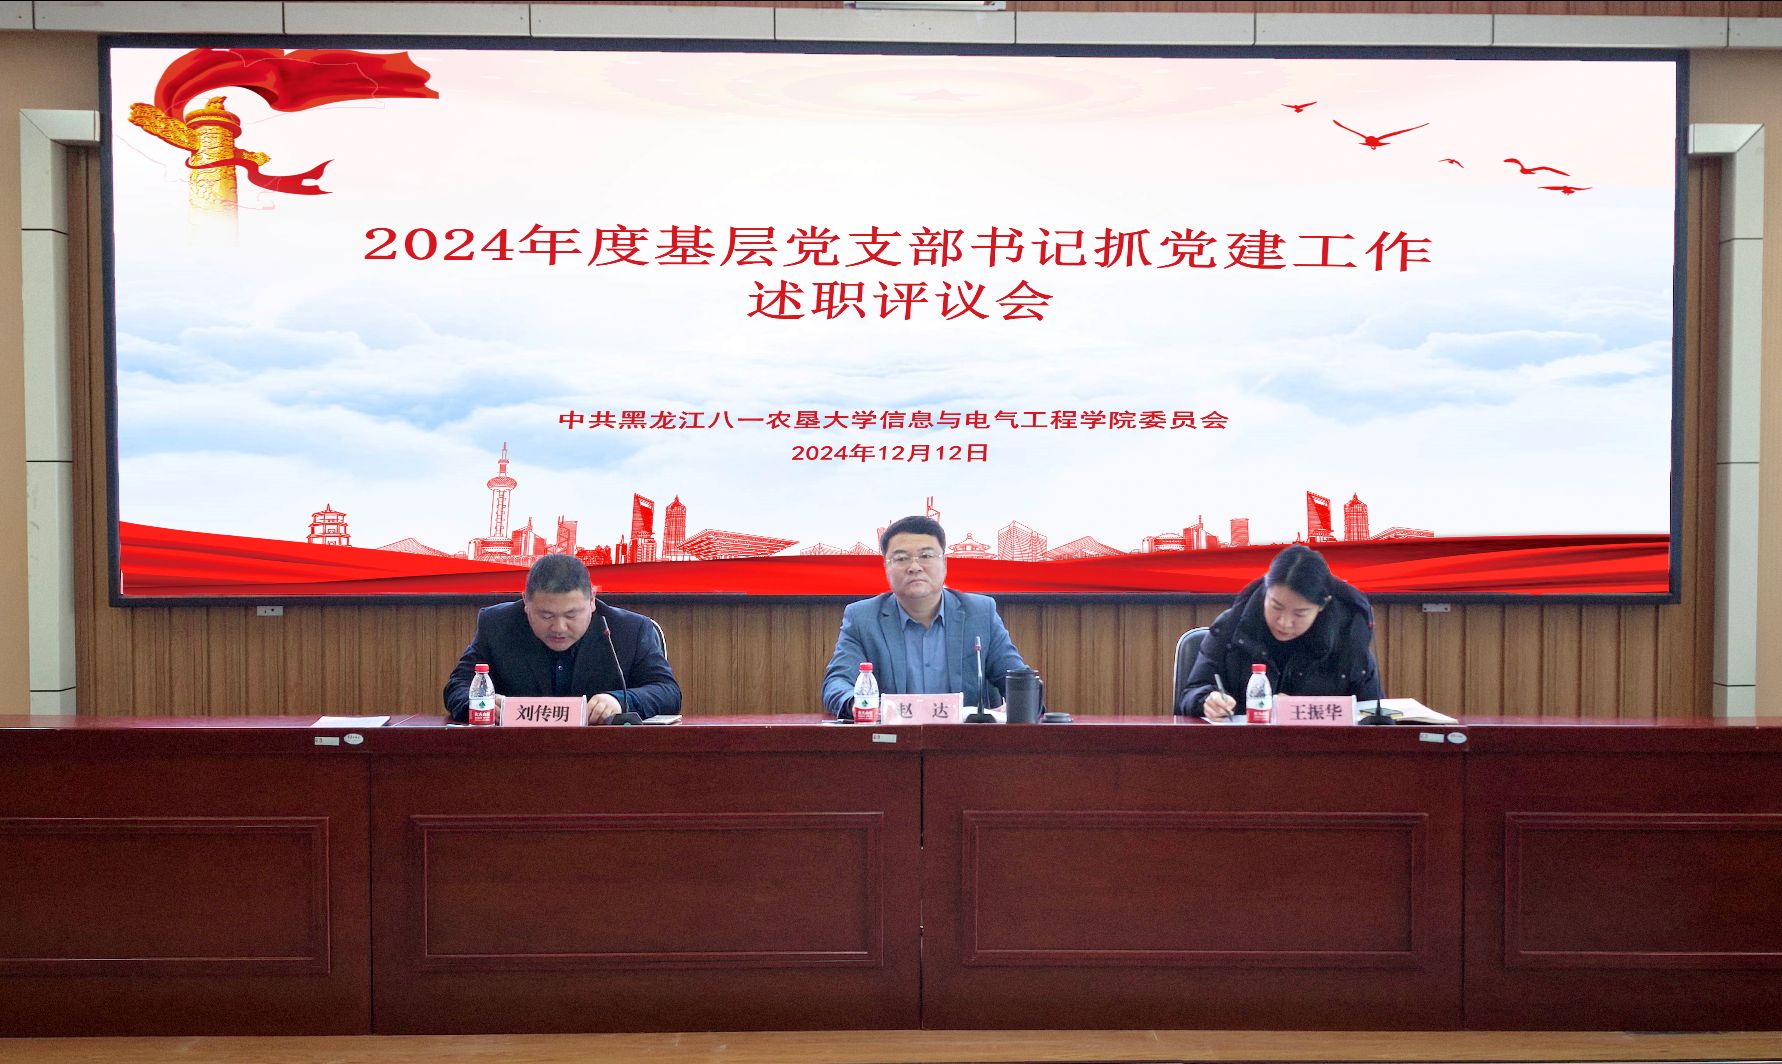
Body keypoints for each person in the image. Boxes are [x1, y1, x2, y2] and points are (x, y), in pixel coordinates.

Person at [822, 515, 1028, 719]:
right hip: (890, 737)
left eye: (926, 556)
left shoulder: (980, 613)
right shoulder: (862, 618)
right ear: (886, 567)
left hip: (965, 738)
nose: (915, 567)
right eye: (901, 558)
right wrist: (862, 705)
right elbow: (837, 682)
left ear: (944, 563)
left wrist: (1019, 706)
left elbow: (1019, 680)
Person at [443, 554, 680, 724]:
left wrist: (619, 701)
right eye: (546, 615)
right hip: (516, 755)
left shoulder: (630, 630)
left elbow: (667, 692)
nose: (559, 627)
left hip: (603, 756)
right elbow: (458, 686)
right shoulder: (497, 625)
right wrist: (481, 703)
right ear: (526, 602)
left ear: (592, 601)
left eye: (571, 615)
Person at [1179, 543, 1381, 719]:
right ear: (1266, 592)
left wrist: (1299, 710)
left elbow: (1372, 714)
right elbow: (1191, 693)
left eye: (1299, 613)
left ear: (1322, 606)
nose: (1284, 622)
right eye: (1276, 606)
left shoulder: (1348, 638)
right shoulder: (1231, 626)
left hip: (1320, 748)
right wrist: (1205, 700)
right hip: (1241, 747)